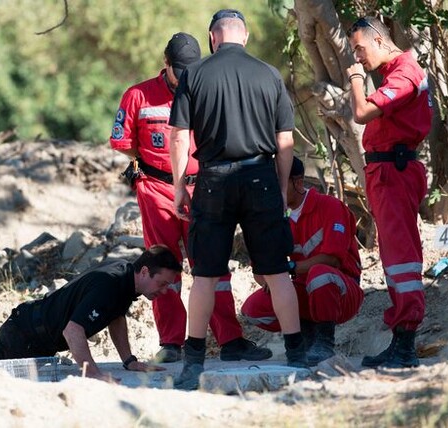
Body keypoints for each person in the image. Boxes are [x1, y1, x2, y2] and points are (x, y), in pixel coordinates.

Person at [109, 32, 271, 364]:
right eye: (178, 71)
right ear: (165, 63)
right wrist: (151, 166)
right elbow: (122, 142)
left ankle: (230, 340)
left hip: (206, 188)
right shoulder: (137, 95)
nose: (184, 78)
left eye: (190, 71)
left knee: (211, 264)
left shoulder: (207, 88)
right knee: (163, 265)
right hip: (156, 190)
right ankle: (171, 342)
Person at [169, 9, 304, 390]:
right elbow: (284, 141)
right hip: (260, 176)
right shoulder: (269, 74)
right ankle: (296, 353)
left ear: (213, 38)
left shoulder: (194, 74)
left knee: (206, 276)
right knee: (277, 272)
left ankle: (193, 360)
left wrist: (180, 186)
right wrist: (280, 187)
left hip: (213, 179)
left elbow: (179, 137)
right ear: (245, 37)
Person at [346, 16, 432, 368]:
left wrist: (355, 80)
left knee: (401, 258)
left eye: (360, 49)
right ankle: (401, 340)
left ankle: (406, 343)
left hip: (394, 173)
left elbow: (362, 111)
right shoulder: (394, 72)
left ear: (379, 40)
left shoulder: (404, 73)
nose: (359, 57)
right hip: (386, 172)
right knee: (395, 256)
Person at [0, 245, 182, 382]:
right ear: (145, 271)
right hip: (24, 334)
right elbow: (72, 331)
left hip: (36, 336)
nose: (164, 291)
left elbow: (116, 316)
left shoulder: (126, 278)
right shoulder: (109, 284)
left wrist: (129, 361)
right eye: (161, 284)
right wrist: (93, 373)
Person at [241, 157, 364, 366]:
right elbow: (260, 271)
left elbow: (332, 259)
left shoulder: (331, 207)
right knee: (253, 309)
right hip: (302, 287)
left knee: (320, 274)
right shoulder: (272, 218)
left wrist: (287, 268)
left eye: (278, 183)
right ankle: (306, 336)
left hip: (341, 290)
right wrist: (270, 281)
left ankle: (324, 342)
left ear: (298, 182)